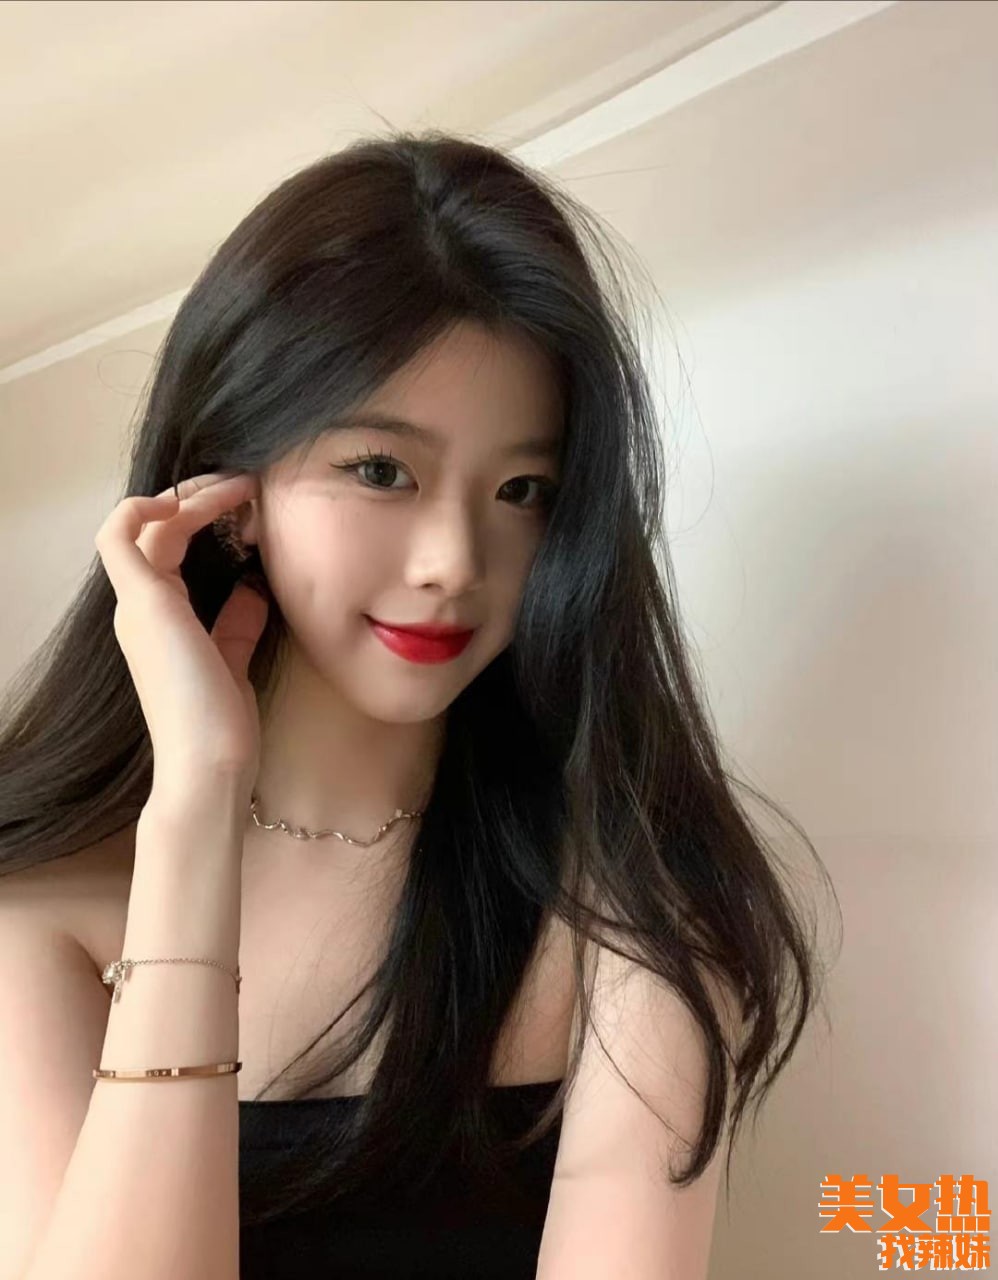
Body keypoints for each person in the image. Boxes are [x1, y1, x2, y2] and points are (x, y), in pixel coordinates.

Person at [0, 129, 835, 1280]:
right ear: (228, 492)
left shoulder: (629, 904)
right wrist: (195, 805)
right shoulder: (38, 908)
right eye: (379, 470)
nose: (452, 560)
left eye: (521, 488)